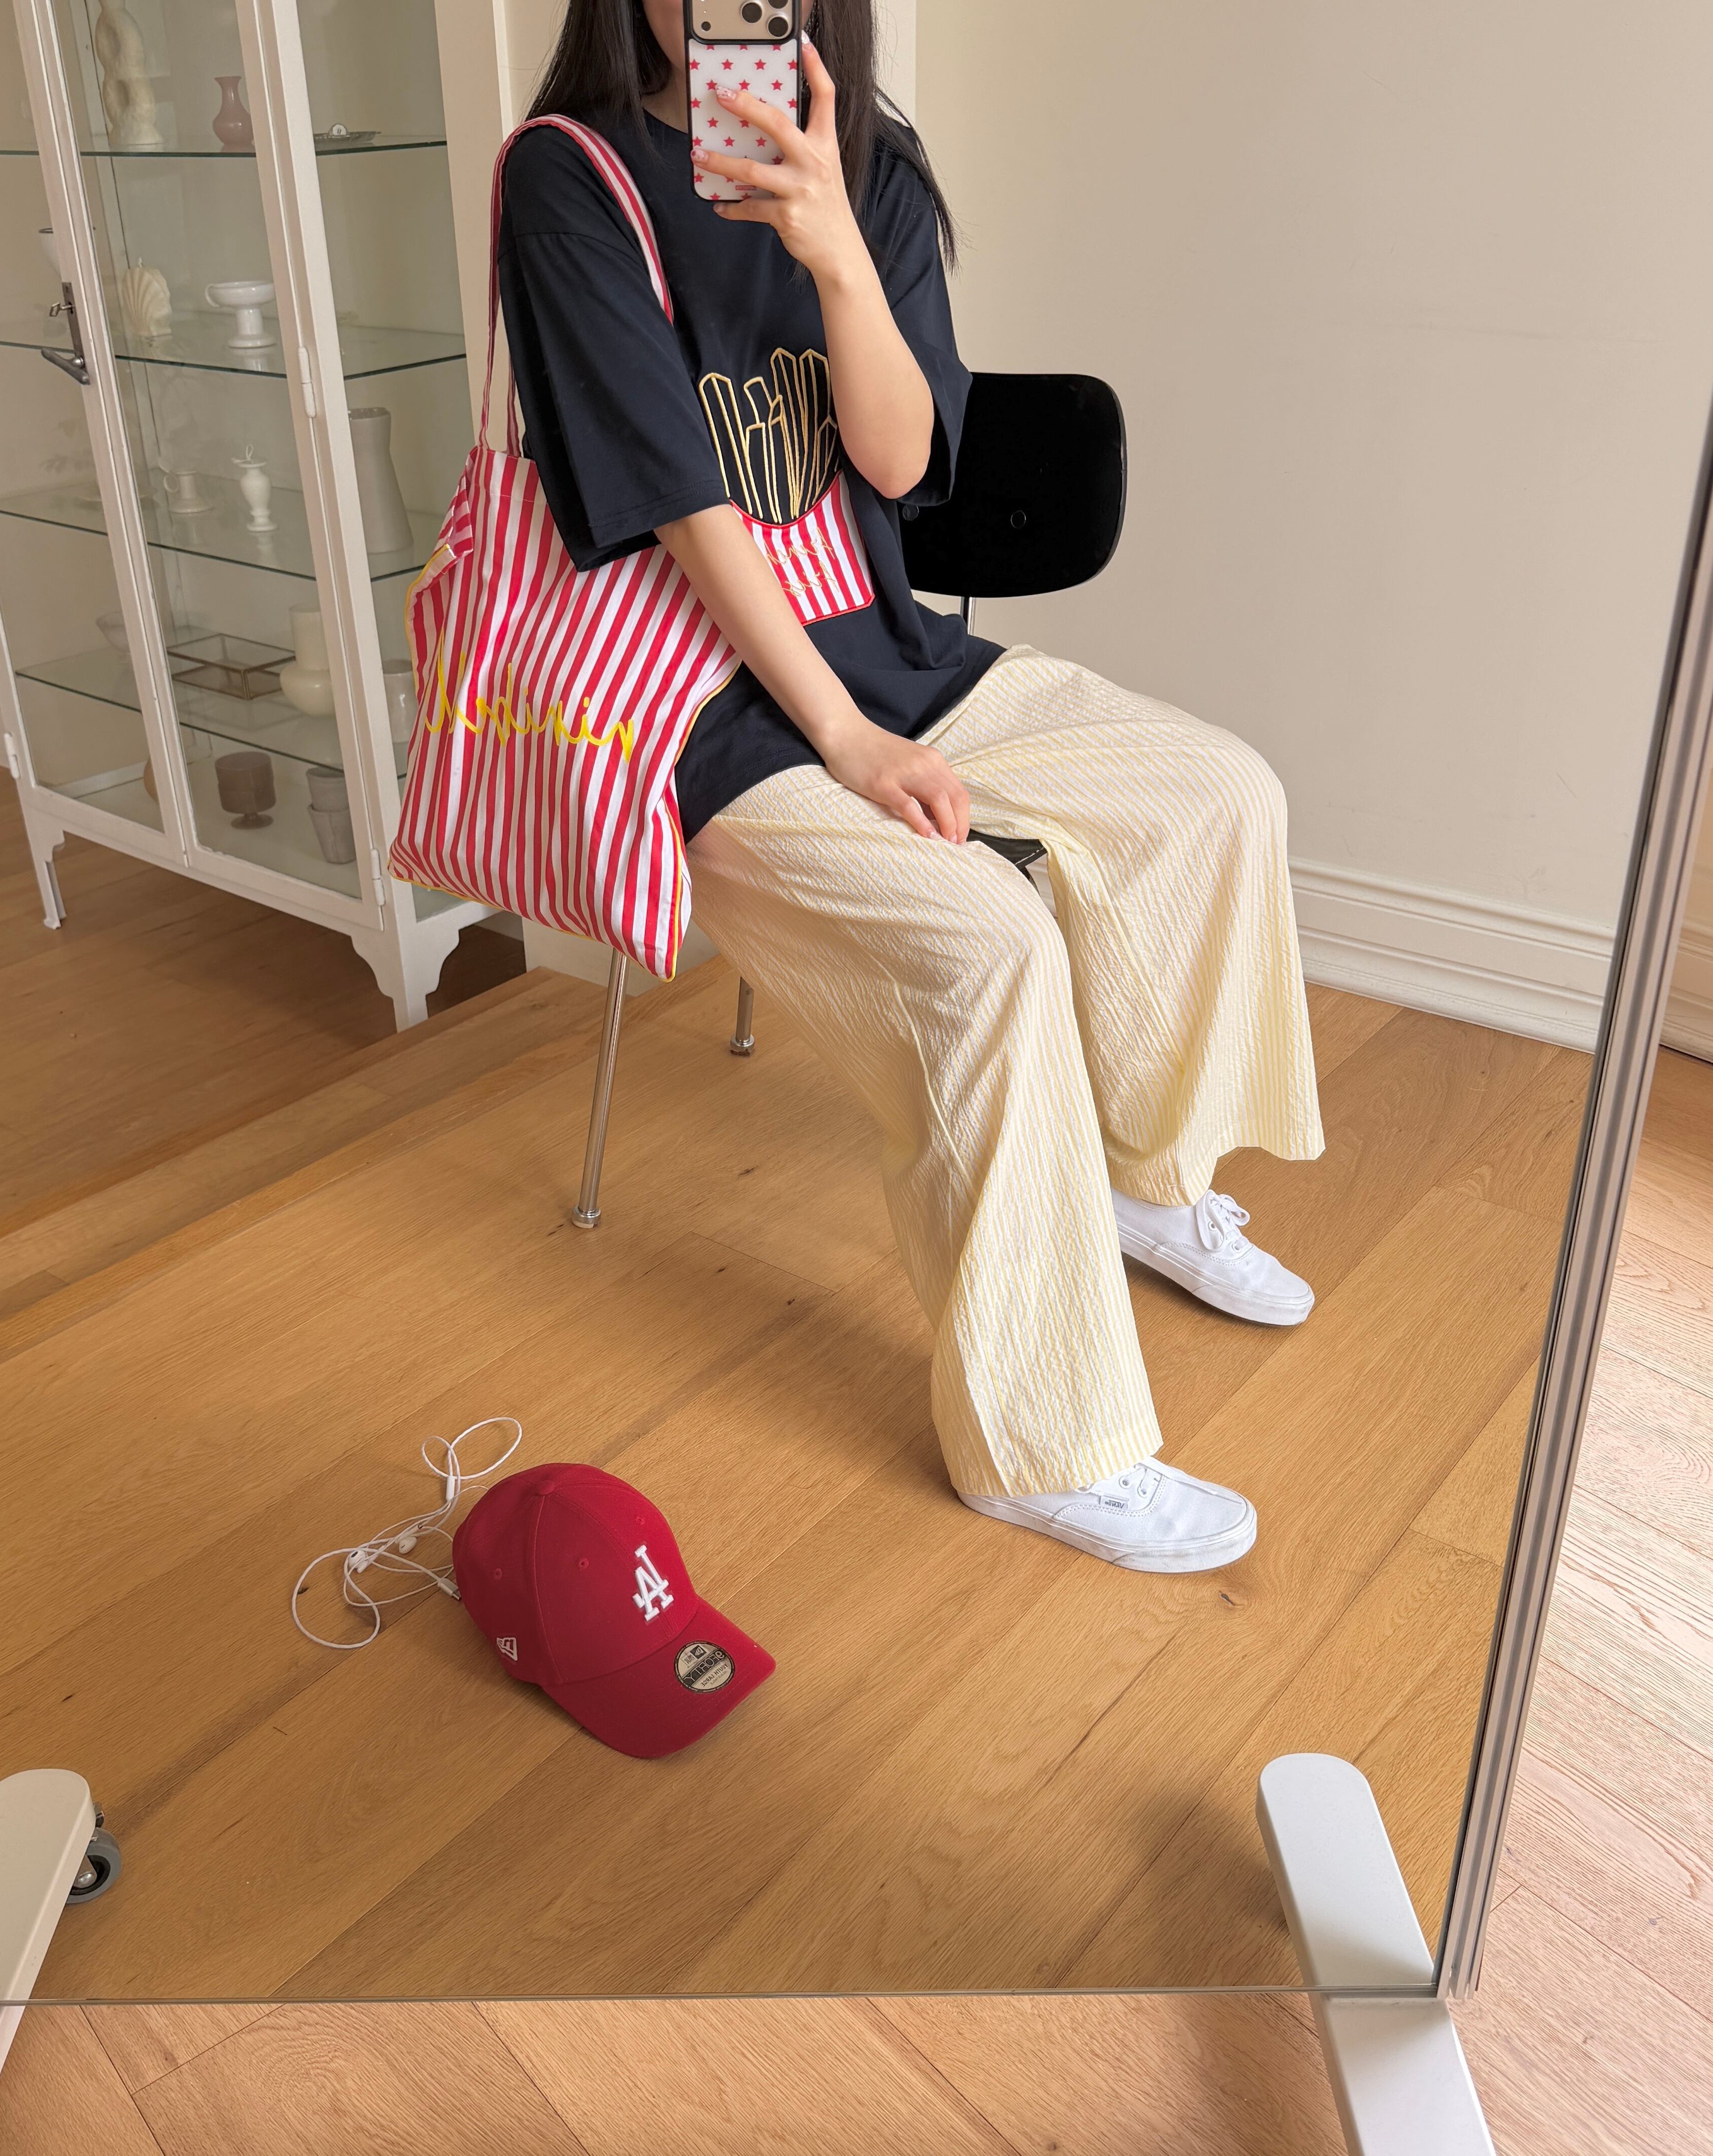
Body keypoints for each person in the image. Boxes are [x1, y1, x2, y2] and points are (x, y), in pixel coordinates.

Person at [500, 0, 1326, 1573]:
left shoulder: (871, 164)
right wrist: (842, 738)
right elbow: (678, 500)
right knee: (988, 944)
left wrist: (833, 251)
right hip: (691, 705)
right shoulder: (570, 175)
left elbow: (893, 466)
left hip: (887, 647)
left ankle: (1144, 1186)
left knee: (1217, 792)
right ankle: (1043, 1441)